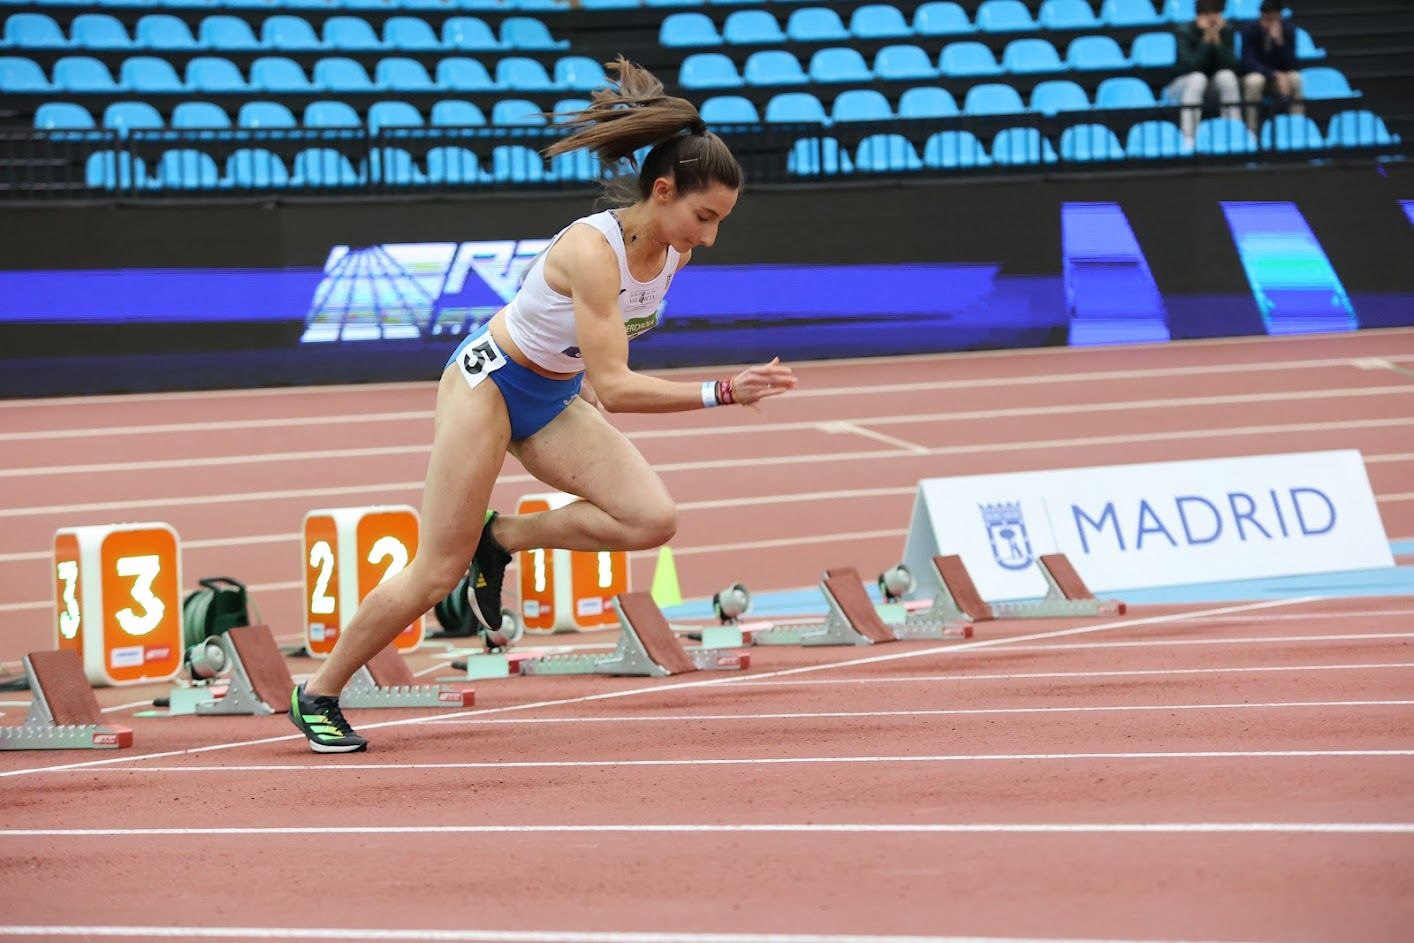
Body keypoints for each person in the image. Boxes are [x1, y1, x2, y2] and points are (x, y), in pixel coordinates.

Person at [287, 57, 798, 753]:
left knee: (653, 517)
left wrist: (578, 376)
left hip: (555, 392)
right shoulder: (593, 251)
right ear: (663, 189)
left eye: (718, 224)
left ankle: (501, 541)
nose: (707, 237)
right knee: (436, 567)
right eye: (703, 217)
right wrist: (724, 391)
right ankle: (317, 691)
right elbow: (619, 386)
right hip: (489, 386)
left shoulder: (674, 251)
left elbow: (601, 354)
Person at [1168, 0, 1242, 142]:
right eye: (1208, 14)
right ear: (1199, 15)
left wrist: (1218, 42)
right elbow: (1191, 66)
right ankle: (1189, 138)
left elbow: (1231, 66)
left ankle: (1234, 133)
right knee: (1197, 78)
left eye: (1216, 13)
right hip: (1181, 87)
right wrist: (1206, 41)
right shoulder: (1184, 31)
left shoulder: (1225, 31)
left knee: (1227, 77)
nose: (1213, 19)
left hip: (1211, 88)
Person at [1241, 0, 1305, 133]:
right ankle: (1251, 131)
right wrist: (1274, 74)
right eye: (1267, 19)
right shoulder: (1250, 30)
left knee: (1296, 78)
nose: (1270, 23)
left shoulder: (1288, 30)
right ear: (1261, 16)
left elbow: (1292, 64)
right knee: (1254, 81)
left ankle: (1298, 128)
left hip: (1280, 80)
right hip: (1260, 76)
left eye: (1274, 19)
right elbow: (1248, 63)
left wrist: (1280, 42)